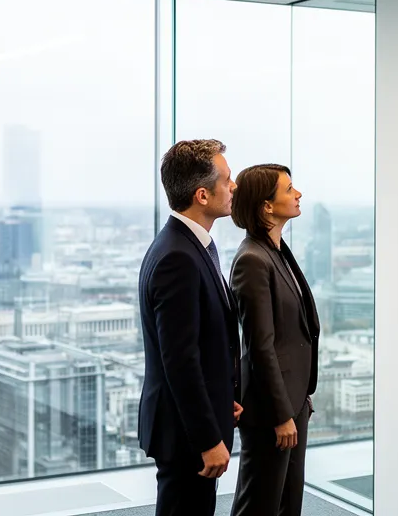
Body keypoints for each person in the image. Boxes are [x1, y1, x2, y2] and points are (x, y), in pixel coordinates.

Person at [138, 139, 243, 516]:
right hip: (185, 435)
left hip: (189, 424)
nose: (234, 187)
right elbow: (180, 361)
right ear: (202, 194)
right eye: (227, 180)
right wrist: (206, 437)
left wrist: (218, 398)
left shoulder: (184, 245)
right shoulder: (178, 257)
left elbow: (202, 343)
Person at [228, 164, 320, 516]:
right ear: (267, 205)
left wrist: (299, 404)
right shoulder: (252, 259)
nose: (298, 195)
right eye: (289, 189)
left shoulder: (275, 251)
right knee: (259, 505)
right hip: (271, 410)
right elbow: (259, 346)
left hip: (293, 402)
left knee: (287, 504)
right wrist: (282, 414)